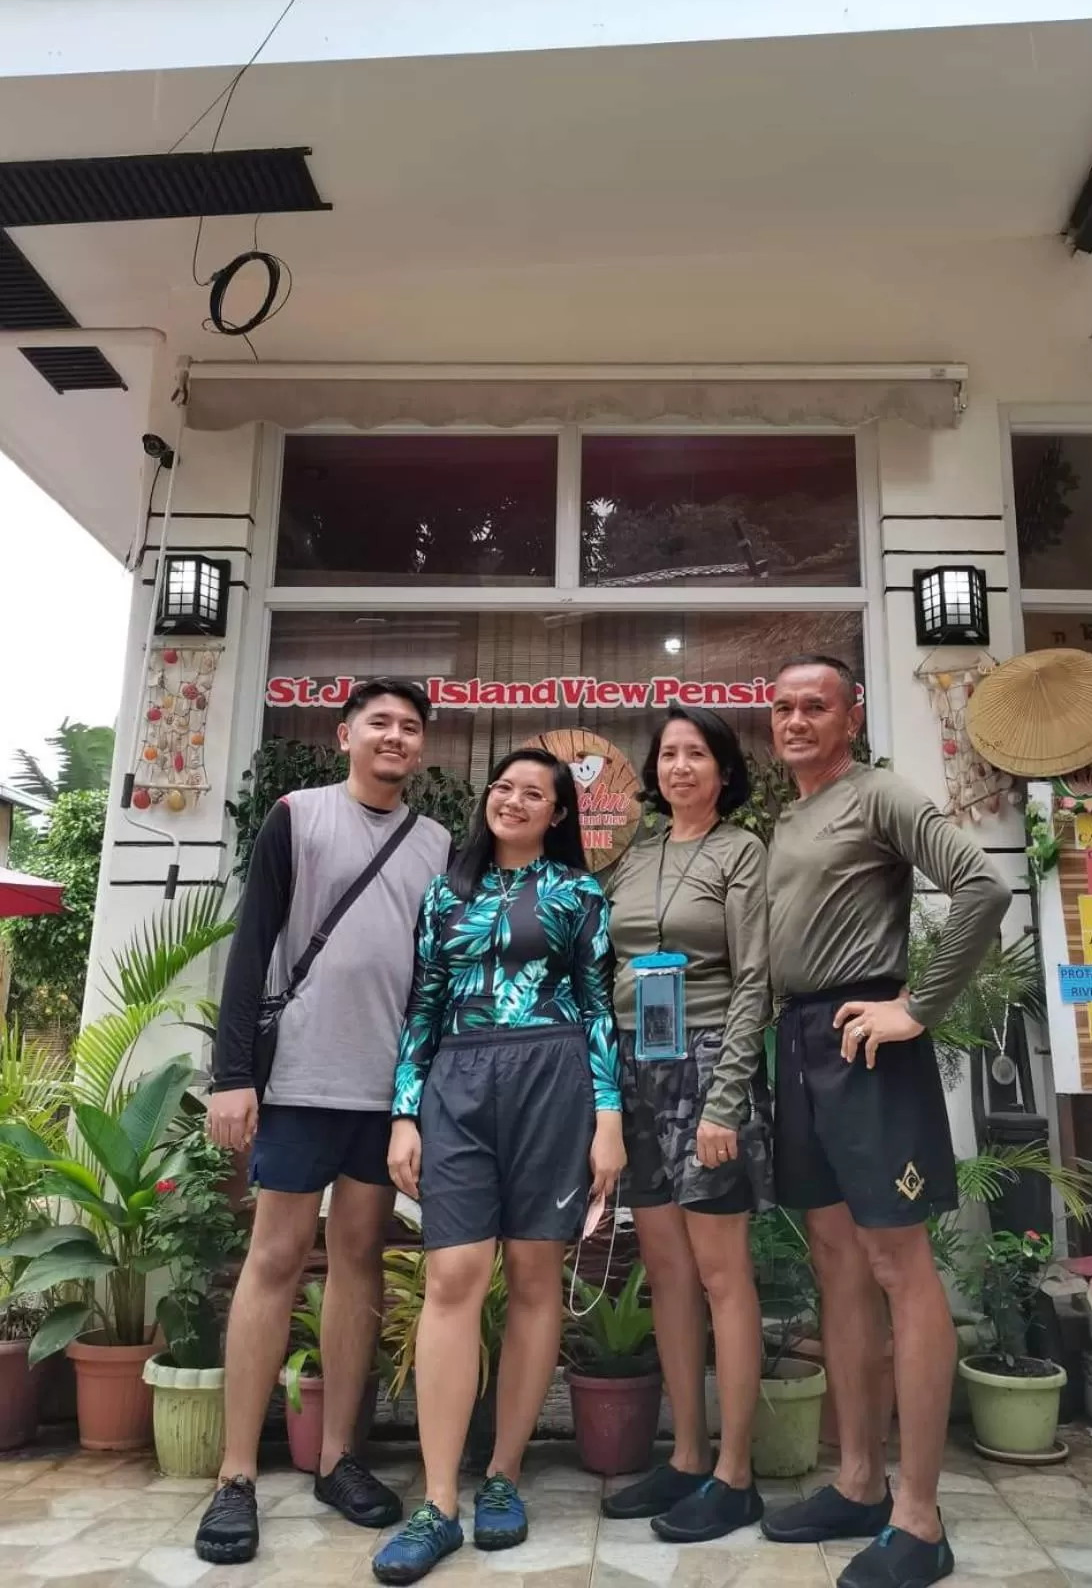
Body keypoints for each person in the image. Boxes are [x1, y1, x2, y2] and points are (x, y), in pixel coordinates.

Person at [760, 656, 1010, 1588]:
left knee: (897, 1266)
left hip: (869, 1038)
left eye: (813, 705)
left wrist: (919, 1007)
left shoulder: (880, 795)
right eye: (781, 707)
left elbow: (982, 887)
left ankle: (918, 1517)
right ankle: (860, 1482)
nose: (793, 720)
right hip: (801, 1042)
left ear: (850, 714)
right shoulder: (790, 817)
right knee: (835, 1264)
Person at [196, 678, 452, 1567]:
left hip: (387, 1093)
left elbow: (435, 977)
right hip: (301, 1079)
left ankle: (339, 1456)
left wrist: (425, 1098)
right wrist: (233, 1077)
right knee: (271, 1260)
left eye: (410, 728)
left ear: (422, 749)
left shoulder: (437, 844)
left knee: (359, 1261)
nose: (395, 737)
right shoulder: (295, 816)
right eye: (379, 722)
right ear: (345, 733)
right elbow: (252, 942)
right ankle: (234, 1475)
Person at [374, 748, 624, 1587]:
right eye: (504, 787)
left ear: (559, 815)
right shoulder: (446, 891)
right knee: (452, 1274)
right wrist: (404, 1111)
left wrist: (609, 1120)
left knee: (533, 1276)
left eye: (534, 793)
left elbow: (597, 1008)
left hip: (553, 1078)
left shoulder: (579, 894)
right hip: (458, 1080)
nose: (513, 800)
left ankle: (505, 1476)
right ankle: (438, 1500)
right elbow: (423, 1002)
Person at [600, 703, 774, 1543]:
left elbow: (754, 983)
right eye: (667, 754)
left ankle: (736, 1474)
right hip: (636, 1069)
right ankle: (687, 1461)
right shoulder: (628, 864)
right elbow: (605, 973)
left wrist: (726, 1100)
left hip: (708, 1066)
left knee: (720, 1273)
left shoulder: (743, 852)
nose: (679, 767)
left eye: (695, 753)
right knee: (667, 1271)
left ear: (723, 768)